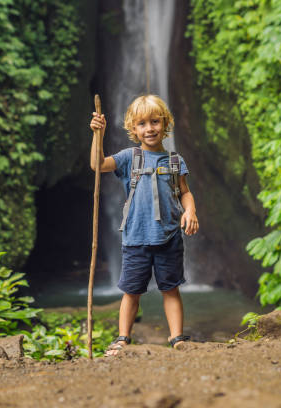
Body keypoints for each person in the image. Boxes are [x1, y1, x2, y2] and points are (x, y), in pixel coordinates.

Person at [89, 94, 199, 356]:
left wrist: (191, 210)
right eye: (142, 124)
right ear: (133, 129)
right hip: (136, 238)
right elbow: (97, 165)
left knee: (171, 289)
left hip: (169, 235)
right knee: (131, 291)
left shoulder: (174, 161)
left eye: (154, 121)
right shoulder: (129, 158)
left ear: (165, 123)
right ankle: (123, 339)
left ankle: (177, 338)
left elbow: (185, 191)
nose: (149, 128)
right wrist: (98, 135)